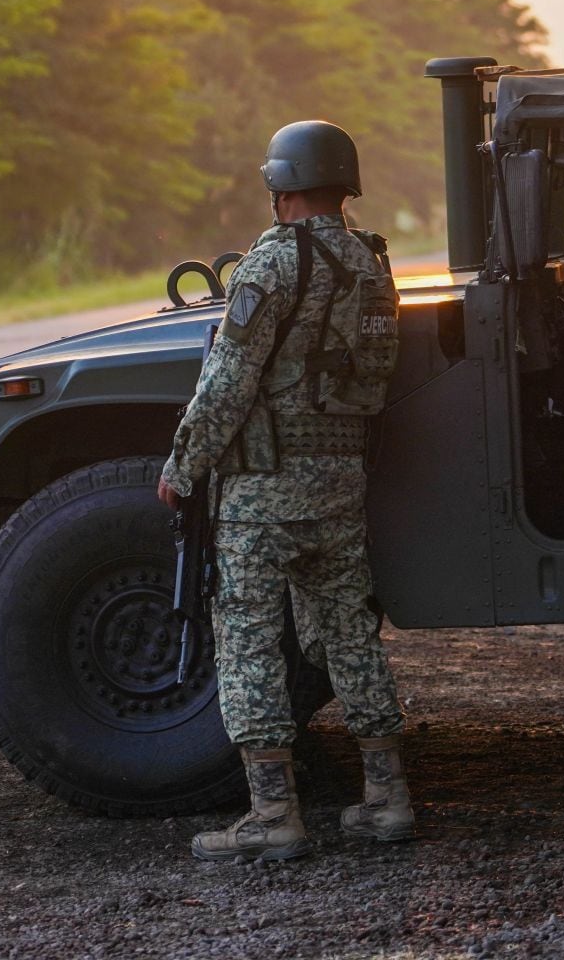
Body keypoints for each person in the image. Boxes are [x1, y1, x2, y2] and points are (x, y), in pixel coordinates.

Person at [157, 120, 411, 863]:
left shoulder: (270, 265)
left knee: (248, 639)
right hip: (339, 482)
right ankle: (388, 799)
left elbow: (228, 382)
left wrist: (182, 466)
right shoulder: (372, 266)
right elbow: (377, 375)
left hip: (263, 490)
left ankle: (273, 814)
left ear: (281, 186)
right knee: (349, 634)